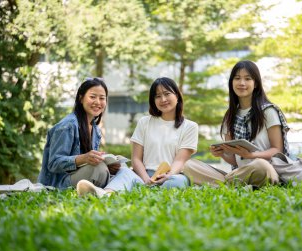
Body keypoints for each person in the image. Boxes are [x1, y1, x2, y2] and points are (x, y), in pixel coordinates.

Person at [76, 77, 199, 197]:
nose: (163, 99)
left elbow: (180, 160)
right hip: (143, 175)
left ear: (177, 96)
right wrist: (146, 179)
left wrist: (169, 174)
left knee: (176, 182)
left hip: (173, 175)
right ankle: (105, 195)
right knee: (125, 172)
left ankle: (148, 192)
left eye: (167, 94)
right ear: (153, 101)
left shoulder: (190, 127)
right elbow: (136, 159)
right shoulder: (144, 122)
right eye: (157, 96)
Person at [183, 60, 290, 188]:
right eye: (237, 78)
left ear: (255, 83)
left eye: (247, 79)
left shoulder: (268, 111)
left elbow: (278, 150)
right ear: (232, 83)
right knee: (189, 165)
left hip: (267, 171)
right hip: (240, 173)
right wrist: (222, 153)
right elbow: (235, 160)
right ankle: (233, 185)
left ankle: (224, 185)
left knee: (261, 165)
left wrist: (251, 155)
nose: (242, 83)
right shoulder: (230, 116)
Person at [38, 77, 117, 189]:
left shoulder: (95, 129)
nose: (97, 102)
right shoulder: (68, 126)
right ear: (81, 98)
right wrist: (83, 158)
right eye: (92, 97)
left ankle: (107, 191)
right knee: (98, 168)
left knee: (122, 168)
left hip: (81, 177)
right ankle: (107, 189)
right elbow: (53, 163)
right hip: (59, 184)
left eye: (102, 98)